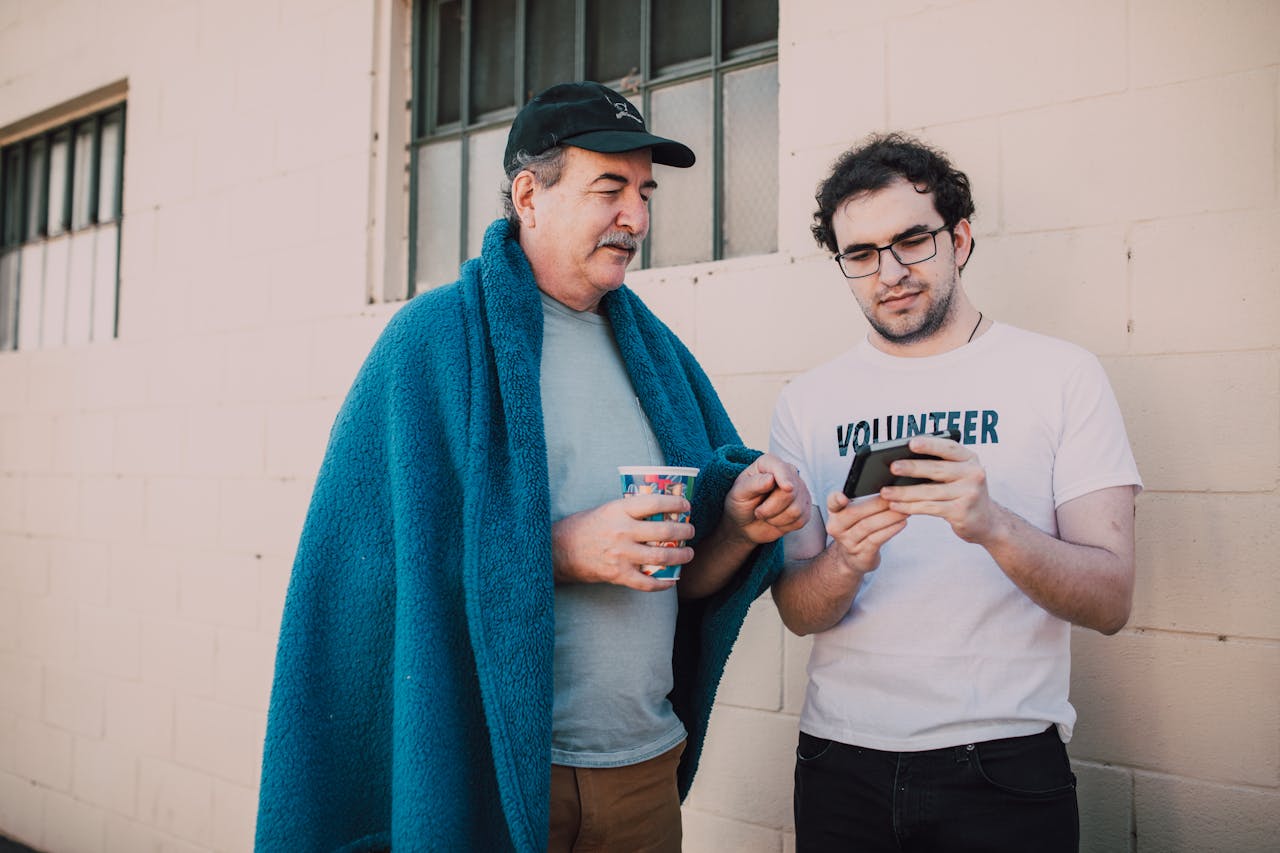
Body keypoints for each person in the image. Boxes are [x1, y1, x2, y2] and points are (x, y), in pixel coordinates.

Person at [255, 81, 809, 853]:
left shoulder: (661, 360)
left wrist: (741, 528)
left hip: (643, 773)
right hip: (493, 774)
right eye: (609, 189)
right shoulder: (432, 346)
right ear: (529, 195)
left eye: (644, 193)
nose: (637, 218)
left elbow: (687, 580)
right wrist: (563, 550)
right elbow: (373, 577)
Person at [769, 133, 1141, 852]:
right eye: (862, 254)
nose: (892, 271)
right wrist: (846, 561)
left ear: (960, 237)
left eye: (913, 240)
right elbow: (796, 610)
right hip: (838, 758)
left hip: (1001, 761)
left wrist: (993, 525)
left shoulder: (1061, 375)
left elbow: (1112, 599)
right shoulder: (807, 401)